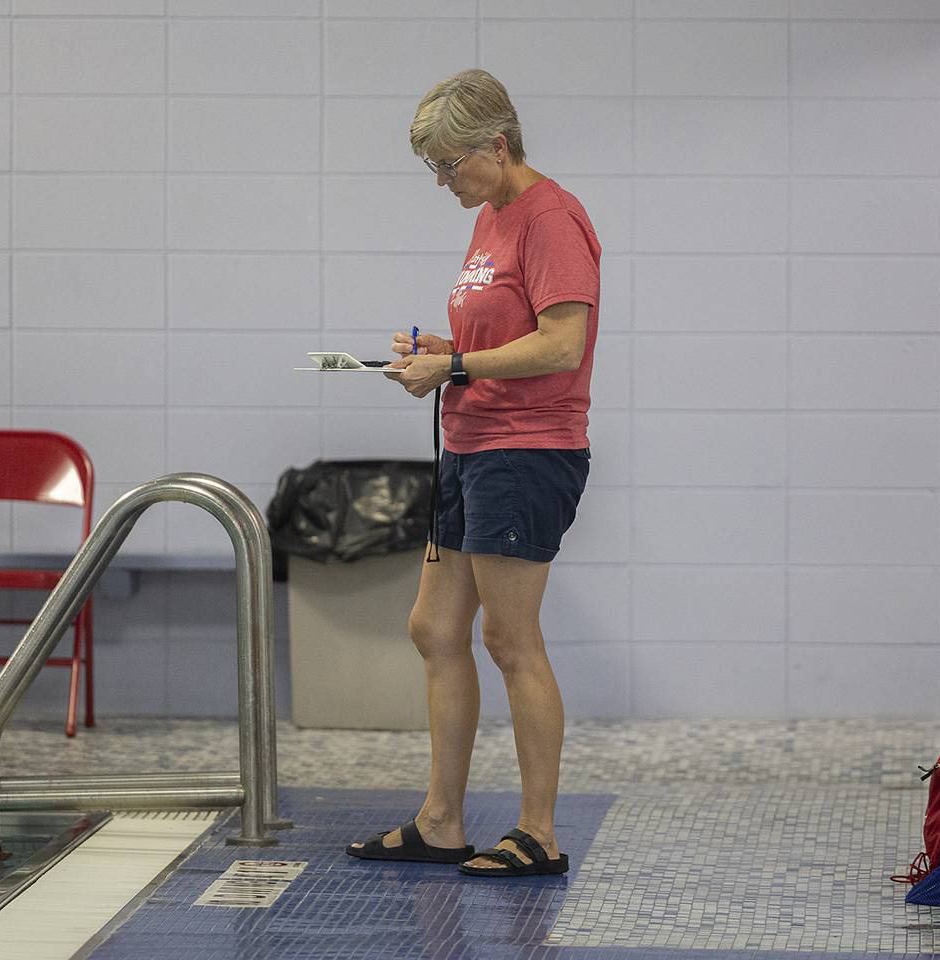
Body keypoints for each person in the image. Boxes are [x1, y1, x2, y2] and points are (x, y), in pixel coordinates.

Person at [345, 69, 601, 878]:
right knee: (434, 628)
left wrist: (457, 363)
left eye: (453, 164)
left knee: (509, 638)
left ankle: (538, 834)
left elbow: (563, 344)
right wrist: (442, 357)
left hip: (526, 450)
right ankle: (443, 820)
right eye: (436, 167)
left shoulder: (550, 217)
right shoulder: (492, 216)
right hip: (471, 443)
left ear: (498, 144)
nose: (445, 182)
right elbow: (493, 334)